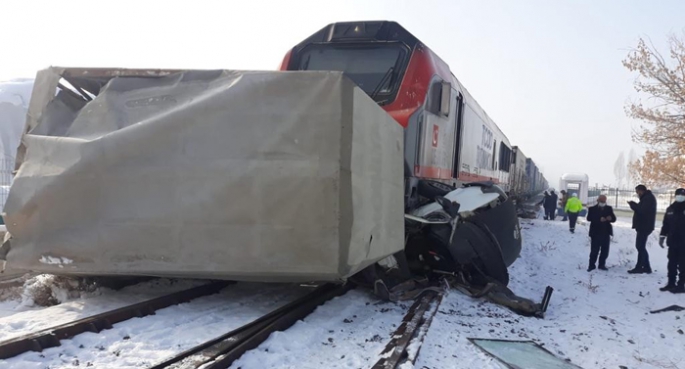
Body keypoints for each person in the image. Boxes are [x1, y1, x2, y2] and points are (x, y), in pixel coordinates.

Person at [658, 188, 685, 293]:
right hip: (673, 241)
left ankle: (681, 285)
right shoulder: (670, 209)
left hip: (683, 242)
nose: (681, 196)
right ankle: (671, 283)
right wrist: (662, 236)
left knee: (683, 265)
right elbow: (666, 224)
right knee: (672, 263)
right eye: (679, 194)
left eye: (683, 195)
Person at [627, 184, 657, 274]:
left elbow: (642, 211)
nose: (637, 194)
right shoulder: (646, 198)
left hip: (644, 226)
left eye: (637, 192)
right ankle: (646, 267)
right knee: (641, 246)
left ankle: (640, 267)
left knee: (640, 246)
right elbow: (641, 209)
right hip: (643, 226)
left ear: (641, 190)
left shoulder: (648, 198)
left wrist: (633, 205)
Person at [586, 195, 616, 271]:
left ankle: (602, 265)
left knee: (605, 251)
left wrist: (610, 218)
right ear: (598, 200)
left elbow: (614, 219)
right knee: (594, 250)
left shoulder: (609, 208)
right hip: (595, 232)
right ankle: (591, 265)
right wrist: (599, 219)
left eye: (604, 201)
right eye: (601, 201)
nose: (603, 203)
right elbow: (589, 218)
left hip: (606, 232)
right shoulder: (592, 209)